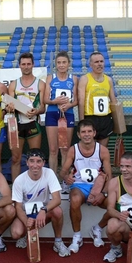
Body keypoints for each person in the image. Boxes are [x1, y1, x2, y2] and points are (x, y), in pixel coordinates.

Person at [59, 119, 112, 254]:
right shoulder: (73, 150)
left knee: (114, 205)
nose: (86, 134)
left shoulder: (103, 151)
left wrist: (103, 193)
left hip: (97, 186)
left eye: (89, 131)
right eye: (83, 132)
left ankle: (97, 228)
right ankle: (77, 236)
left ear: (94, 133)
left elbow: (110, 177)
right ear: (78, 135)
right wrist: (67, 178)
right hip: (79, 186)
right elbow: (63, 172)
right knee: (75, 200)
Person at [10, 148, 70, 257]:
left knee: (57, 211)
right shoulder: (19, 180)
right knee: (15, 233)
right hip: (26, 213)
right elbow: (18, 207)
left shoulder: (49, 173)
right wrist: (26, 221)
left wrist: (44, 210)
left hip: (43, 212)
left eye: (38, 161)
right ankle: (26, 235)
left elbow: (57, 199)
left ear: (43, 163)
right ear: (27, 162)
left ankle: (58, 241)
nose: (35, 165)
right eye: (32, 161)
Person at [5, 52, 46, 182]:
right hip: (16, 125)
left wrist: (36, 111)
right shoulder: (13, 84)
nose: (26, 66)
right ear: (20, 66)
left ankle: (36, 185)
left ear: (33, 65)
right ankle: (17, 187)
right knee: (16, 158)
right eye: (23, 64)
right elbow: (8, 106)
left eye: (29, 64)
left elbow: (43, 108)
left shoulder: (40, 84)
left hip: (33, 124)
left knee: (35, 158)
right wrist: (9, 108)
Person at [43, 51, 78, 193]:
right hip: (52, 114)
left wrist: (69, 105)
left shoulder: (74, 79)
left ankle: (64, 181)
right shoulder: (50, 78)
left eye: (64, 62)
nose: (61, 65)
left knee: (65, 149)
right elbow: (45, 99)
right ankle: (53, 182)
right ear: (55, 64)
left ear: (68, 64)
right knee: (53, 149)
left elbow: (76, 100)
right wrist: (54, 101)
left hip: (67, 115)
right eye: (59, 62)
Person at [78, 51, 118, 147]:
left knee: (102, 150)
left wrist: (118, 121)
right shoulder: (85, 79)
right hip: (91, 118)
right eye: (96, 62)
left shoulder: (108, 79)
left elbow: (113, 101)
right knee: (90, 149)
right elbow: (81, 102)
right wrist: (81, 122)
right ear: (90, 64)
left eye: (101, 61)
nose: (99, 64)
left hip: (106, 118)